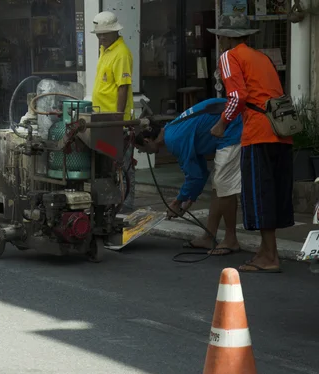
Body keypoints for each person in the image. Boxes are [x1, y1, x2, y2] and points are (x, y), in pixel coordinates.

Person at [208, 14, 293, 273]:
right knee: (274, 193)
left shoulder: (229, 56)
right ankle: (268, 251)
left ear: (225, 38)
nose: (219, 41)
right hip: (281, 130)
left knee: (258, 195)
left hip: (258, 132)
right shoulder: (262, 57)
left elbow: (237, 97)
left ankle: (269, 257)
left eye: (220, 36)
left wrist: (222, 123)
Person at [136, 98, 243, 256]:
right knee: (218, 186)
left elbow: (194, 176)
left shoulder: (174, 140)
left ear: (147, 140)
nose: (143, 152)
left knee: (224, 187)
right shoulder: (171, 130)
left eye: (141, 149)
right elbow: (200, 174)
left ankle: (231, 239)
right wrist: (188, 201)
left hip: (232, 130)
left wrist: (177, 202)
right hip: (230, 126)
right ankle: (208, 236)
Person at [90, 11, 136, 214]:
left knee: (123, 165)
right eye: (99, 35)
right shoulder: (105, 49)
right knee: (107, 163)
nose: (101, 38)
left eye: (105, 34)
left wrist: (119, 118)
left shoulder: (121, 53)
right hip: (102, 118)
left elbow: (122, 87)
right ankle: (110, 202)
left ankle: (126, 203)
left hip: (116, 120)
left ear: (115, 32)